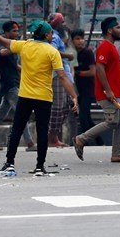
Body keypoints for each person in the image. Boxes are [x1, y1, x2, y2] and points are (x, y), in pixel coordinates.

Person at [0, 19, 78, 176]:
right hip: (44, 97)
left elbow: (0, 40)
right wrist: (74, 96)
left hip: (25, 95)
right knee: (42, 131)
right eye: (50, 33)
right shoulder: (52, 51)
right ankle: (40, 166)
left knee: (16, 129)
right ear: (47, 34)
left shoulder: (25, 45)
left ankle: (9, 163)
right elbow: (62, 76)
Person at [73, 17, 120, 163]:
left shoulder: (112, 46)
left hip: (118, 91)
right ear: (110, 30)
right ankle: (81, 138)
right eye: (118, 28)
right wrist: (108, 90)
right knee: (112, 122)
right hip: (108, 92)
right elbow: (99, 68)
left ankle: (117, 154)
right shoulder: (104, 46)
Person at [0, 21, 36, 151]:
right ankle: (30, 143)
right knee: (21, 112)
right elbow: (3, 53)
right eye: (14, 31)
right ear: (6, 33)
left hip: (12, 83)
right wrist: (21, 45)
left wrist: (25, 70)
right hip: (10, 84)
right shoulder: (4, 44)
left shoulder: (14, 46)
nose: (16, 34)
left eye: (17, 31)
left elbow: (13, 64)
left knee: (0, 114)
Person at [46, 13, 74, 148]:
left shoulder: (59, 36)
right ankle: (52, 137)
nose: (64, 24)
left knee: (68, 105)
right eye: (62, 22)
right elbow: (53, 51)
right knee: (58, 107)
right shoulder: (54, 36)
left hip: (64, 74)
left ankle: (53, 134)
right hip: (58, 76)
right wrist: (68, 55)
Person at [72, 29, 96, 137]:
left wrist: (78, 73)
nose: (80, 41)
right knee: (87, 117)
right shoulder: (72, 53)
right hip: (77, 89)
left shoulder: (87, 53)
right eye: (77, 39)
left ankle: (85, 139)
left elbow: (92, 72)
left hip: (88, 89)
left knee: (83, 116)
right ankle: (99, 141)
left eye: (82, 38)